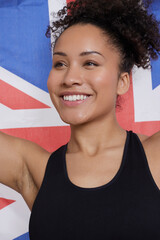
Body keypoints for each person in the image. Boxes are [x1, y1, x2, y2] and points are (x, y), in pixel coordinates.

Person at [0, 0, 160, 239]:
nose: (70, 77)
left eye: (90, 63)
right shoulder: (35, 170)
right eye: (60, 64)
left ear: (122, 81)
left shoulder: (155, 156)